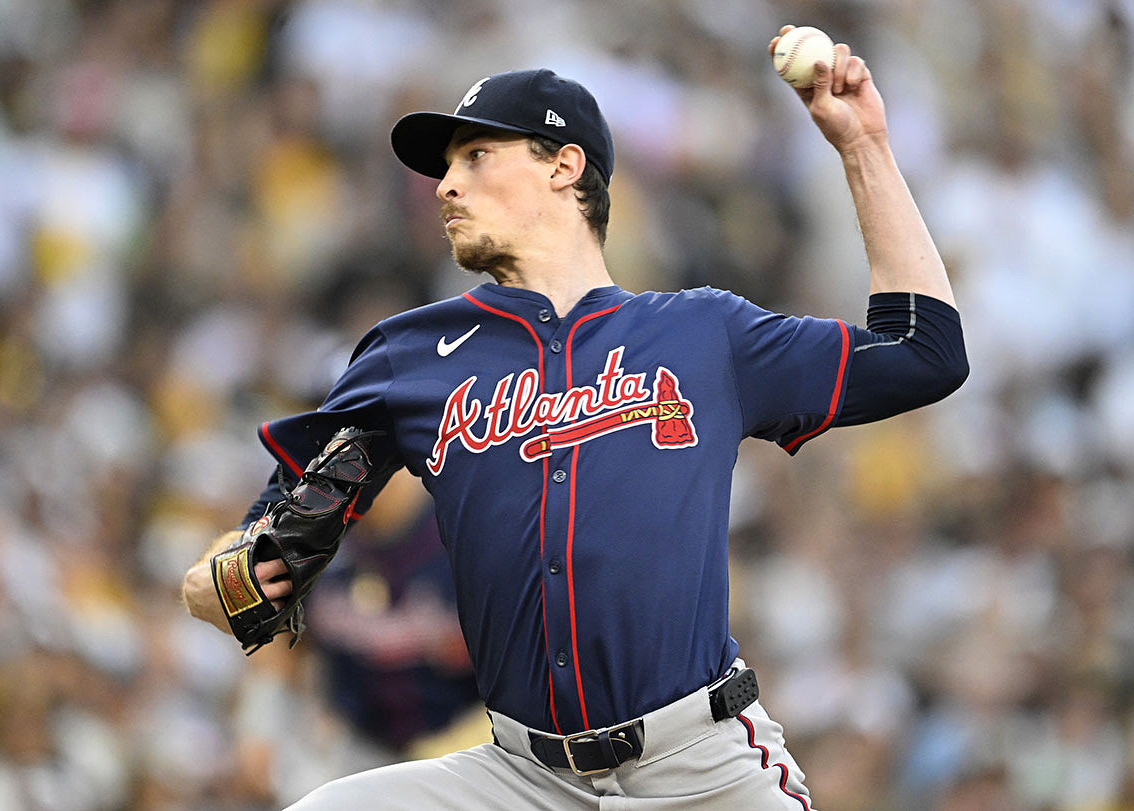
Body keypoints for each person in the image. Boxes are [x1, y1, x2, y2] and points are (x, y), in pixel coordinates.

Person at [183, 26, 968, 809]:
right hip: (519, 778)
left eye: (476, 157)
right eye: (446, 167)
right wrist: (228, 577)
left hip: (699, 767)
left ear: (565, 166)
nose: (446, 185)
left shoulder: (702, 334)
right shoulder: (408, 356)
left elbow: (925, 351)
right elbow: (256, 544)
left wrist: (863, 147)